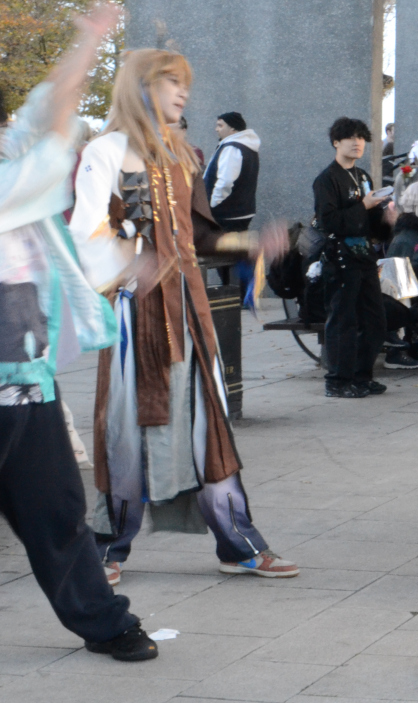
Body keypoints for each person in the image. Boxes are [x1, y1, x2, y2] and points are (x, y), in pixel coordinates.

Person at [70, 48, 298, 586]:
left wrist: (251, 242)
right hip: (133, 317)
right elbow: (81, 233)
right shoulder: (103, 152)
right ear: (140, 88)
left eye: (184, 83)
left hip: (189, 313)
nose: (183, 92)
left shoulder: (182, 156)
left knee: (209, 427)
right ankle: (106, 547)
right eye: (171, 82)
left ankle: (239, 544)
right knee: (125, 431)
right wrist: (129, 263)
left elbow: (199, 237)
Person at [0, 3, 159, 662]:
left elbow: (48, 113)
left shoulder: (17, 178)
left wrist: (88, 42)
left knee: (57, 510)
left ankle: (105, 621)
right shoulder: (17, 183)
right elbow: (51, 122)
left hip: (21, 388)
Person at [314, 117, 393, 398]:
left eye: (361, 137)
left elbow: (373, 227)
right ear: (336, 142)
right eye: (350, 137)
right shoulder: (326, 180)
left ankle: (362, 376)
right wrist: (364, 205)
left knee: (375, 320)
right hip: (340, 258)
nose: (357, 142)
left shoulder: (363, 177)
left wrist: (387, 220)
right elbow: (330, 222)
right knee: (343, 320)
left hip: (364, 257)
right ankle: (337, 380)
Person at [204, 111, 260, 232]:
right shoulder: (246, 147)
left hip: (227, 214)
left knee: (223, 249)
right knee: (235, 248)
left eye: (220, 125)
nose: (216, 129)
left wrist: (212, 205)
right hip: (238, 211)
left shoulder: (232, 148)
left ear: (233, 127)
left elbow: (226, 182)